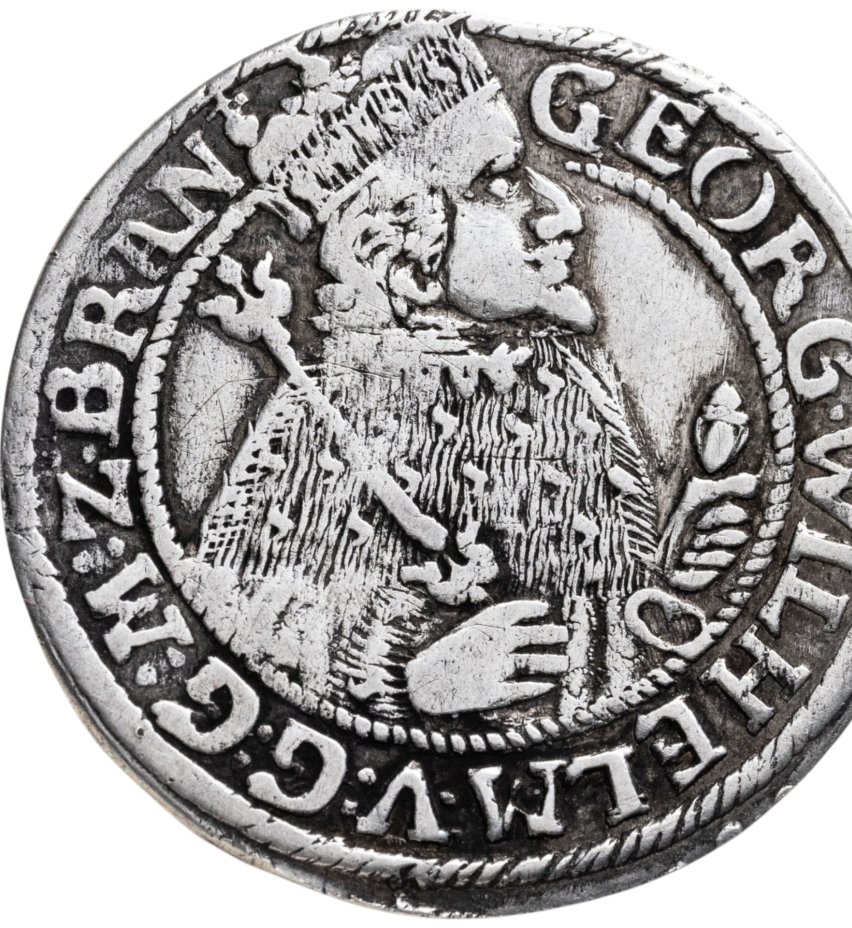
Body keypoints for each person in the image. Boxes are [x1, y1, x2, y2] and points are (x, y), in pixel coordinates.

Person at [195, 20, 660, 724]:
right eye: (500, 183)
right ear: (402, 254)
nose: (562, 213)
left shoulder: (564, 384)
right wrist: (403, 681)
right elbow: (245, 647)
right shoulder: (321, 424)